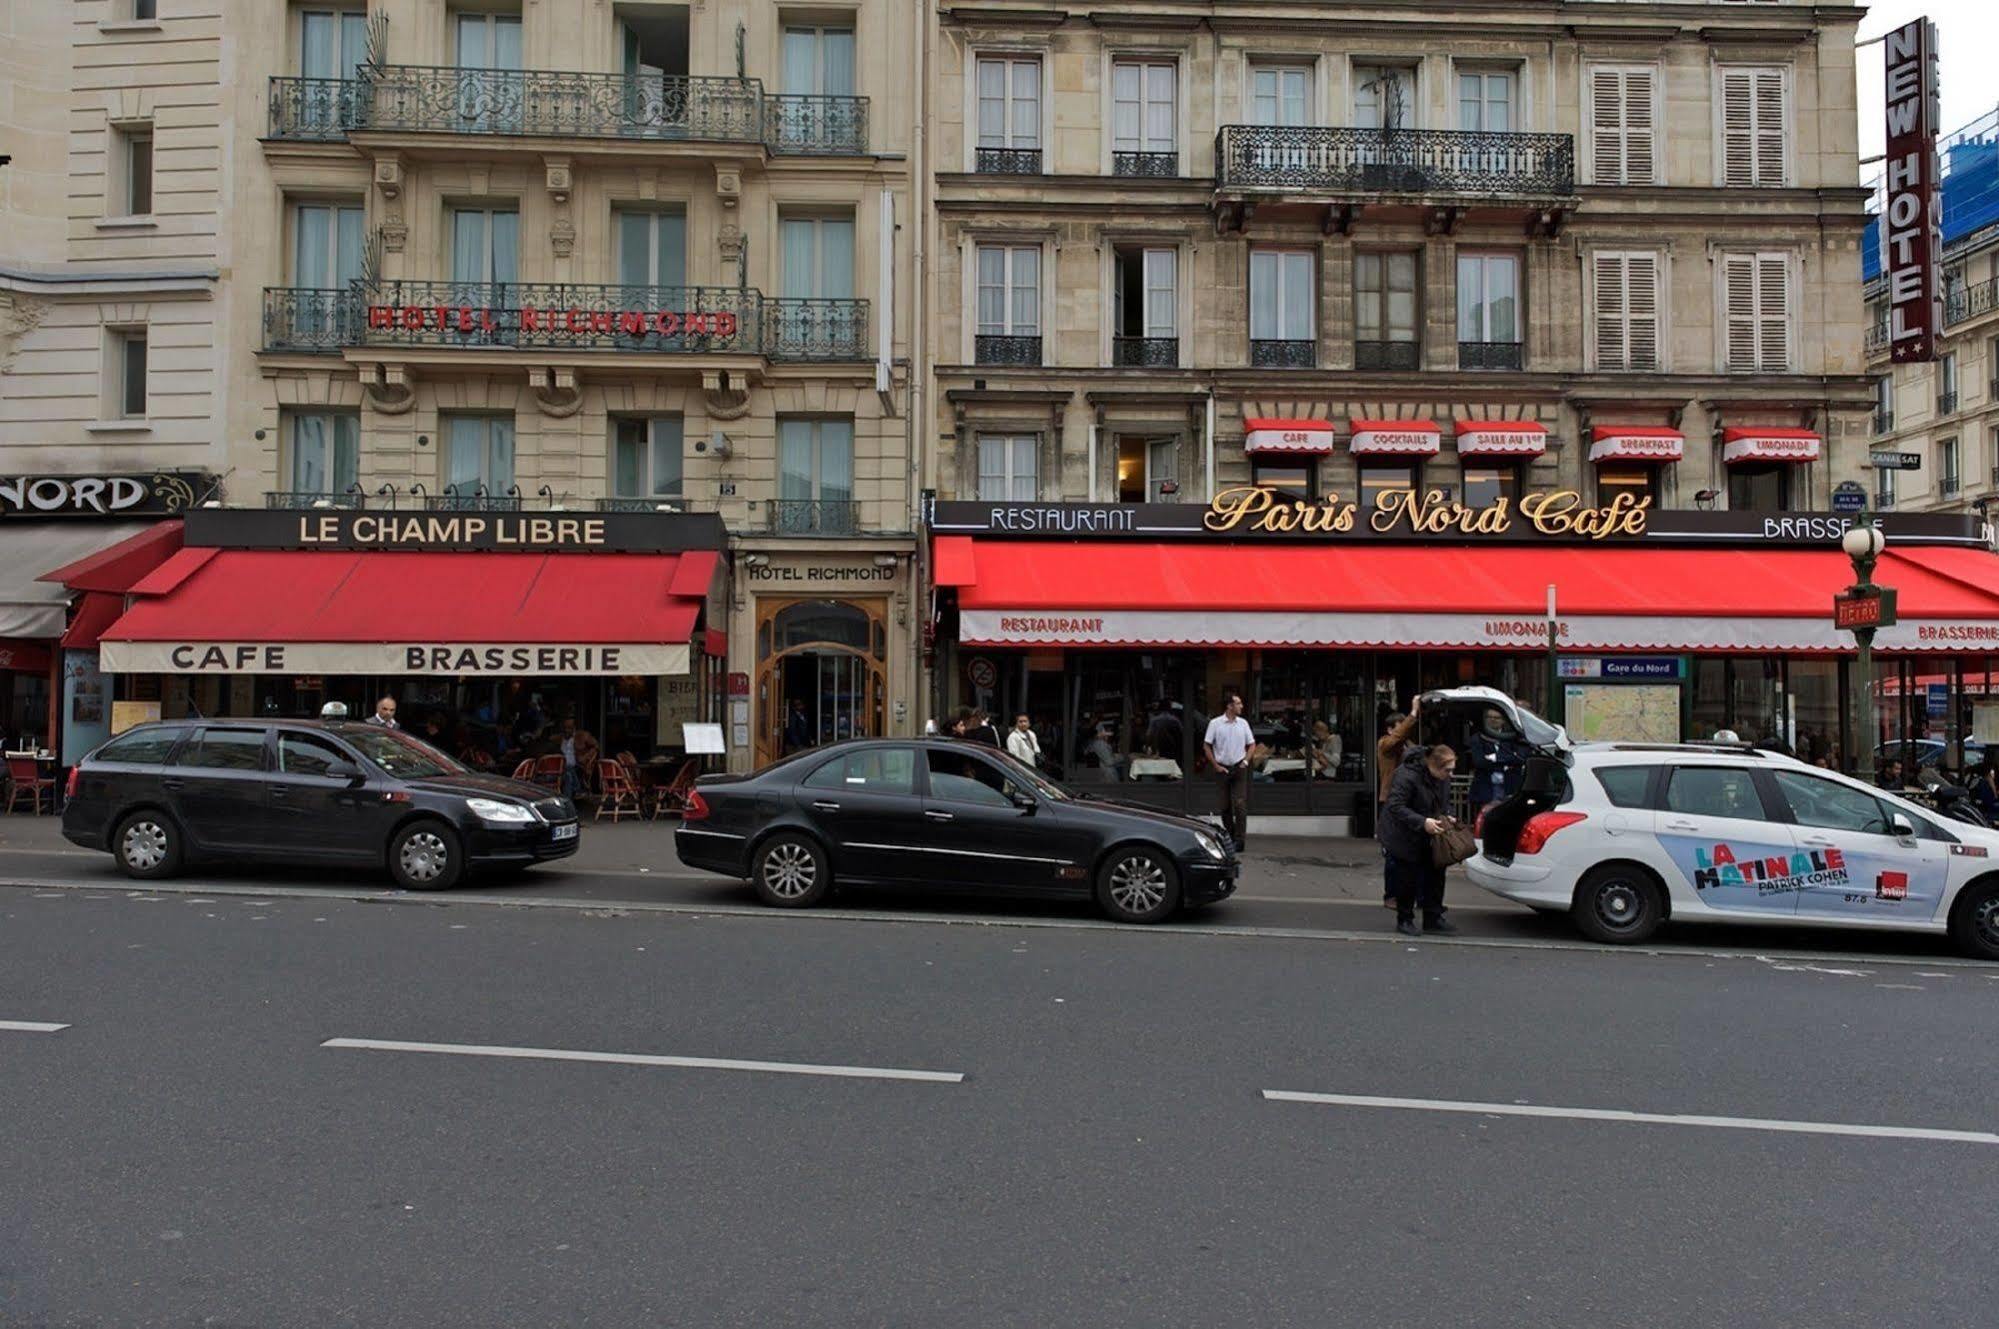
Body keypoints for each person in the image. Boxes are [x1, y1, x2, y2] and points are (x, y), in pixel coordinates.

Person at [1381, 742, 1461, 937]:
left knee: (1436, 873)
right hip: (1403, 832)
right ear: (1434, 766)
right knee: (1407, 876)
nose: (1450, 775)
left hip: (1429, 830)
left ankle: (1433, 917)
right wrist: (1422, 821)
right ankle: (1405, 919)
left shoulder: (1441, 778)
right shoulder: (1407, 775)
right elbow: (1396, 806)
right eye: (1448, 770)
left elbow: (1443, 801)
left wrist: (1447, 814)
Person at [1375, 698, 1421, 907]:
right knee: (1393, 852)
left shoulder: (1409, 746)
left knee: (1413, 852)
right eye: (1398, 726)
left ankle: (1412, 894)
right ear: (1389, 728)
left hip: (1409, 802)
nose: (1403, 730)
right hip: (1392, 802)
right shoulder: (1386, 743)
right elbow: (1396, 740)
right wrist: (1412, 714)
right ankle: (1391, 895)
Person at [1204, 692, 1255, 851]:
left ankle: (1240, 841)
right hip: (1222, 769)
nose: (1241, 706)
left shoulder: (1243, 723)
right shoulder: (1215, 724)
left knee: (1240, 804)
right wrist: (1215, 765)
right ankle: (1231, 836)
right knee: (1225, 806)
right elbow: (1207, 745)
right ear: (1229, 706)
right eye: (1238, 703)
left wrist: (1246, 761)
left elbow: (1252, 744)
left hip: (1239, 767)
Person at [1467, 707, 1528, 811]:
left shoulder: (1514, 737)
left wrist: (1495, 758)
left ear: (1503, 720)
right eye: (1489, 717)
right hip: (1486, 789)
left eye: (1497, 718)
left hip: (1510, 787)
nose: (1493, 720)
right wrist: (1507, 761)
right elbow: (1479, 762)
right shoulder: (1477, 738)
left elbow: (1520, 758)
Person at [557, 715, 599, 799]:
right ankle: (578, 790)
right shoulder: (559, 738)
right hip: (562, 768)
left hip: (578, 766)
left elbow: (596, 746)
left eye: (569, 728)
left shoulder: (582, 736)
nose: (566, 730)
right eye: (565, 728)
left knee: (569, 773)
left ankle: (567, 803)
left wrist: (585, 757)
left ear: (574, 728)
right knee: (568, 774)